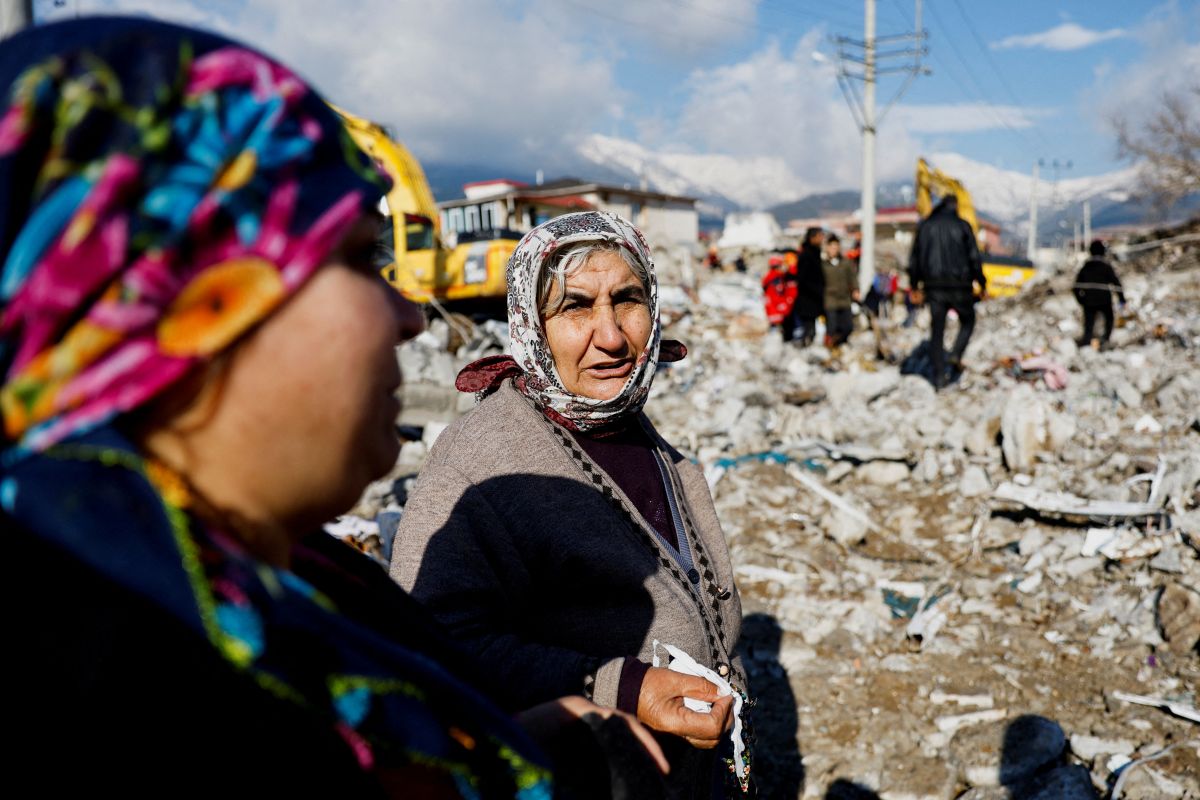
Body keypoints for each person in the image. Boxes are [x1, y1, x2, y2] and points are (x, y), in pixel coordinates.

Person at [1, 18, 665, 797]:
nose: (411, 315)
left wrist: (510, 752)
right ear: (185, 302)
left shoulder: (298, 589)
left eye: (630, 299)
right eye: (357, 257)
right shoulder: (135, 684)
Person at [393, 211, 753, 798]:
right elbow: (436, 644)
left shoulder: (629, 424)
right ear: (530, 324)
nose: (611, 337)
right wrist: (623, 688)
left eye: (628, 301)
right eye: (576, 307)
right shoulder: (482, 461)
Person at [907, 196, 985, 389]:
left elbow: (914, 259)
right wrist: (981, 282)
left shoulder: (925, 226)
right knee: (968, 320)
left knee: (937, 331)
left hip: (934, 288)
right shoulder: (963, 226)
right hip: (961, 286)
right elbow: (974, 256)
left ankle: (939, 377)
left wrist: (914, 285)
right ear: (955, 207)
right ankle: (956, 353)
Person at [1073, 240, 1125, 348]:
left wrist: (1081, 300)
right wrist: (1122, 299)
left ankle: (1087, 343)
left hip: (1089, 302)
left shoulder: (1086, 267)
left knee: (1089, 324)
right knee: (1109, 320)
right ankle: (1105, 340)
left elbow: (1076, 287)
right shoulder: (1105, 267)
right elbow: (1116, 283)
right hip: (1104, 300)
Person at [785, 227, 824, 346]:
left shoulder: (814, 253)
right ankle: (804, 349)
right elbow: (802, 279)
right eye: (819, 236)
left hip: (813, 298)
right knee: (808, 329)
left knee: (810, 328)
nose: (822, 239)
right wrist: (817, 290)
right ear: (812, 238)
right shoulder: (806, 255)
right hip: (807, 299)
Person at [820, 234, 857, 347]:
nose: (834, 250)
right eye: (832, 247)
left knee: (848, 326)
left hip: (844, 298)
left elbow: (852, 278)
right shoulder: (823, 264)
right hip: (830, 299)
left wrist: (855, 289)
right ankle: (832, 346)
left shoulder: (846, 263)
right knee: (832, 326)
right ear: (827, 248)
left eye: (836, 247)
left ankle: (840, 343)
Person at [762, 254, 796, 329]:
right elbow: (777, 297)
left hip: (772, 312)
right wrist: (785, 306)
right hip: (779, 313)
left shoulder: (769, 278)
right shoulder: (776, 280)